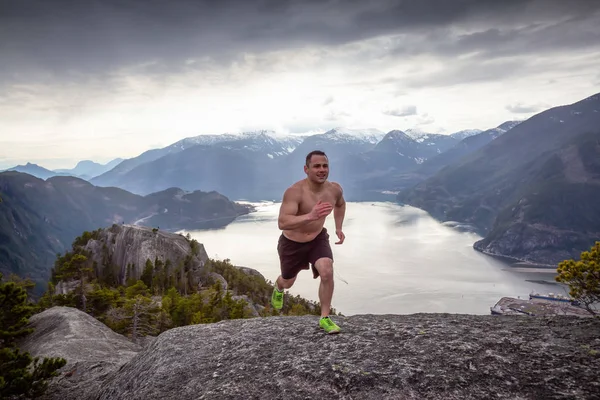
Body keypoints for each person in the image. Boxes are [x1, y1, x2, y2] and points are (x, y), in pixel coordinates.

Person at [271, 150, 346, 334]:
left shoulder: (334, 189)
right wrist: (310, 216)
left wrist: (338, 227)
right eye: (317, 166)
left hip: (317, 238)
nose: (322, 170)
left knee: (327, 270)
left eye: (325, 166)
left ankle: (325, 318)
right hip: (292, 243)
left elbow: (340, 204)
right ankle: (279, 287)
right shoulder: (294, 192)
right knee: (288, 281)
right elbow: (282, 222)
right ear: (306, 169)